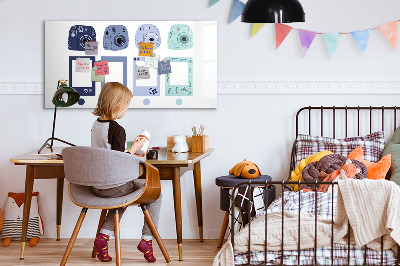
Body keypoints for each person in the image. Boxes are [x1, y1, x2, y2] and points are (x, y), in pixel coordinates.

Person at [91, 82, 161, 263]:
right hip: (114, 186)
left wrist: (130, 150)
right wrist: (136, 148)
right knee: (156, 194)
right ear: (117, 105)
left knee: (121, 197)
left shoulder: (96, 125)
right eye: (126, 106)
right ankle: (147, 240)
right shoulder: (117, 129)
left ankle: (103, 238)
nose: (126, 110)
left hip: (97, 186)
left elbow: (108, 154)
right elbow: (119, 161)